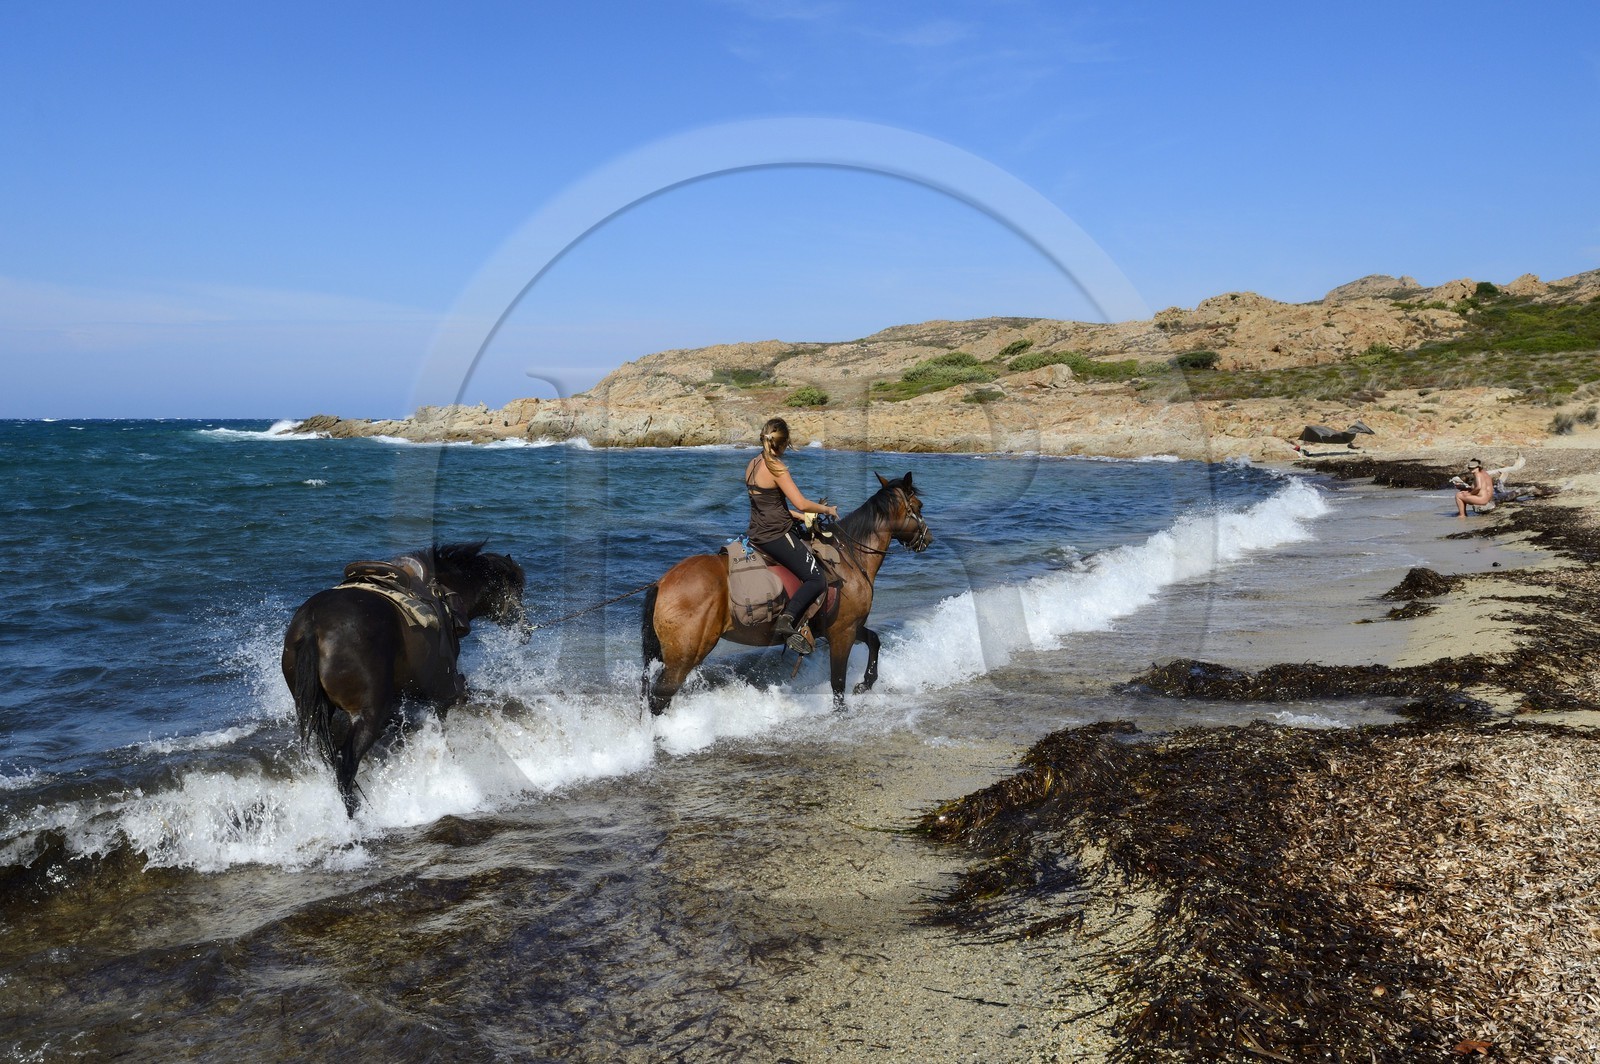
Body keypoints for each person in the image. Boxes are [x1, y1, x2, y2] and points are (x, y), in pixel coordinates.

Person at [746, 417, 838, 653]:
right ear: (783, 444)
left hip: (757, 532)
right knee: (817, 579)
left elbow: (769, 503)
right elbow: (801, 501)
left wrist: (797, 516)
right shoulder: (776, 467)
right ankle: (786, 620)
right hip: (776, 534)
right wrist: (827, 510)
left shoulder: (752, 464)